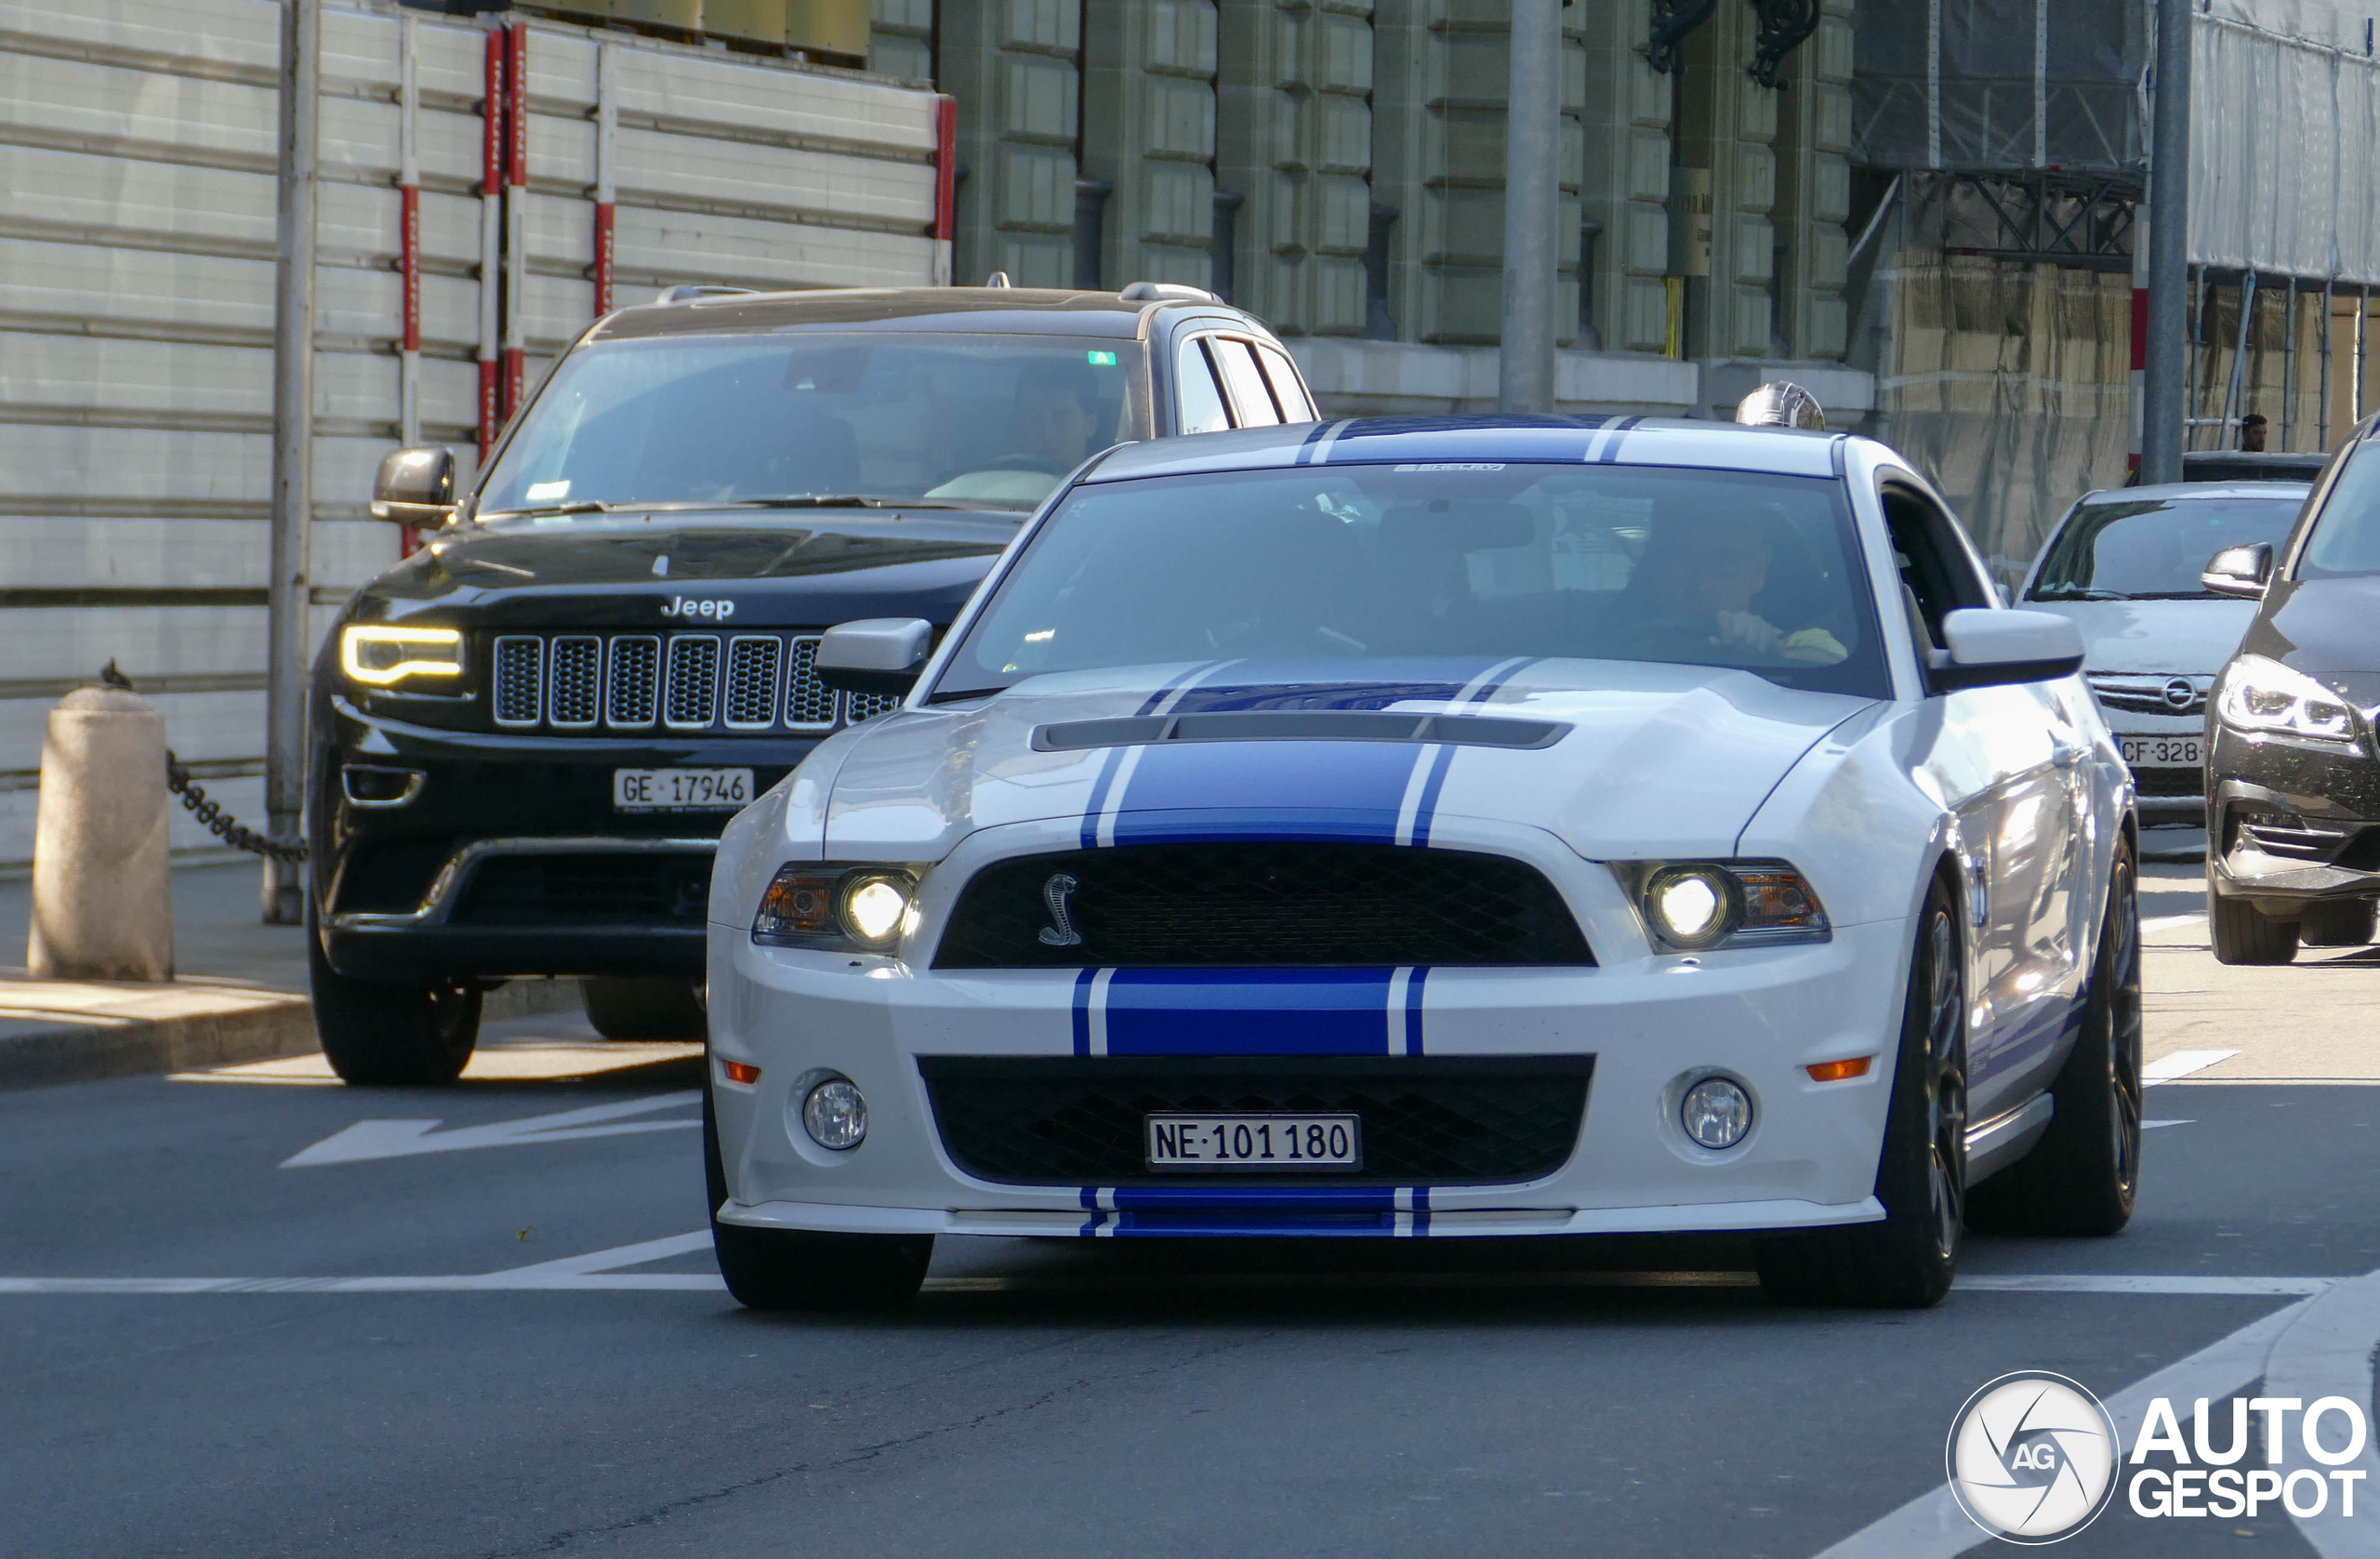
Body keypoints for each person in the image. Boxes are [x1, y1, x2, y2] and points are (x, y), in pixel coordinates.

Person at [1606, 509, 1847, 665]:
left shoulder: (1797, 641)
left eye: (1725, 562)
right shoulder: (1598, 641)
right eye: (1682, 559)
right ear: (1657, 569)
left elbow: (1841, 670)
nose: (1702, 583)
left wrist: (1772, 654)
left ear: (1759, 570)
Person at [1010, 360, 1103, 473]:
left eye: (1062, 420)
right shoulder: (991, 487)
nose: (1048, 434)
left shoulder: (1117, 489)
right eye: (1033, 420)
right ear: (1018, 423)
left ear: (1091, 424)